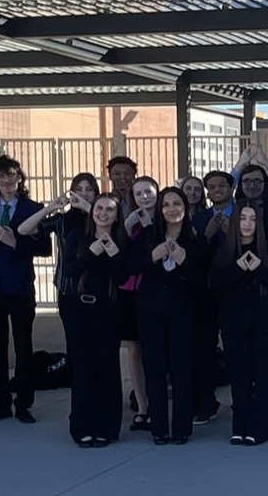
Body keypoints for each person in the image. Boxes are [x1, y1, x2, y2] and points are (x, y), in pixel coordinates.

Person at [0, 155, 51, 424]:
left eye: (11, 175)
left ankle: (23, 404)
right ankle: (0, 404)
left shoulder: (33, 208)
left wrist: (14, 242)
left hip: (19, 286)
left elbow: (44, 248)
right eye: (0, 176)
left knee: (23, 346)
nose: (6, 180)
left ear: (20, 178)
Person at [129, 185, 207, 444]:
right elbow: (130, 266)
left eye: (177, 204)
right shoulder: (148, 235)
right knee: (154, 368)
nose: (172, 209)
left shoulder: (196, 238)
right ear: (160, 209)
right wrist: (153, 256)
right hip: (150, 310)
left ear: (186, 208)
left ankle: (182, 427)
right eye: (166, 205)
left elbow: (202, 279)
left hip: (183, 313)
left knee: (182, 368)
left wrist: (184, 259)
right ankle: (158, 428)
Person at [211, 200, 268, 445]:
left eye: (253, 219)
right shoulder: (224, 249)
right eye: (243, 218)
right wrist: (239, 269)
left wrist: (260, 270)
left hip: (266, 322)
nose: (247, 224)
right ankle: (239, 425)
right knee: (240, 376)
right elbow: (215, 287)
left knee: (264, 376)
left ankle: (260, 427)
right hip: (234, 323)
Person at [62, 192, 130, 447]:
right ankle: (81, 426)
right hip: (80, 310)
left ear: (116, 216)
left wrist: (112, 251)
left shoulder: (121, 241)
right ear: (92, 212)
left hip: (108, 311)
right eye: (99, 208)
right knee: (82, 369)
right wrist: (90, 253)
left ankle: (107, 427)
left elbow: (123, 278)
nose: (103, 213)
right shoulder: (78, 236)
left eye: (109, 210)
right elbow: (69, 270)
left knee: (107, 369)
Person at [18, 172, 97, 334]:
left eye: (89, 190)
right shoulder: (62, 220)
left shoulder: (101, 217)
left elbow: (113, 227)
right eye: (79, 190)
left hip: (98, 288)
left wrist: (89, 208)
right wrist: (50, 207)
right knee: (74, 342)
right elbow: (23, 229)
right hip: (67, 288)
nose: (84, 194)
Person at [190, 169, 236, 426]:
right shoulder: (199, 219)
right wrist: (206, 235)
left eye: (222, 186)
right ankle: (207, 403)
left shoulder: (243, 215)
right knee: (204, 350)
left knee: (236, 348)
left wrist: (232, 232)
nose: (217, 190)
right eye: (212, 187)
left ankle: (243, 399)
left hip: (235, 292)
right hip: (206, 293)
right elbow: (194, 255)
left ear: (231, 189)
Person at [121, 175, 159, 431]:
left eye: (148, 192)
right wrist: (127, 225)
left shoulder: (166, 216)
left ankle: (158, 403)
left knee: (155, 350)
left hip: (155, 291)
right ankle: (142, 405)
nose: (144, 197)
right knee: (134, 349)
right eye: (139, 194)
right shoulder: (130, 223)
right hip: (129, 291)